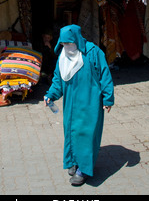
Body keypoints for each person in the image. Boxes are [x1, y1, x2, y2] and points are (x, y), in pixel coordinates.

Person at [44, 24, 114, 186]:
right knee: (71, 132)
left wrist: (108, 99)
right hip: (70, 105)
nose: (67, 47)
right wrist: (51, 95)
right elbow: (57, 80)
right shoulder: (63, 56)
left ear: (77, 40)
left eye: (69, 44)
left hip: (90, 103)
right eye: (63, 44)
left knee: (86, 135)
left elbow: (105, 75)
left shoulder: (93, 53)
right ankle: (74, 161)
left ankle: (84, 170)